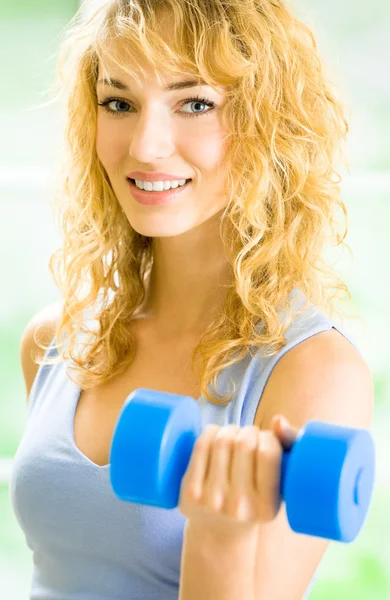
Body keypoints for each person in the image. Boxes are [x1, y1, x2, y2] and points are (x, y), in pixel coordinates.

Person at [12, 1, 374, 599]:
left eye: (196, 103)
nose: (147, 147)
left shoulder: (312, 371)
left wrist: (221, 532)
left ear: (268, 120)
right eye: (119, 102)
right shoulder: (54, 341)